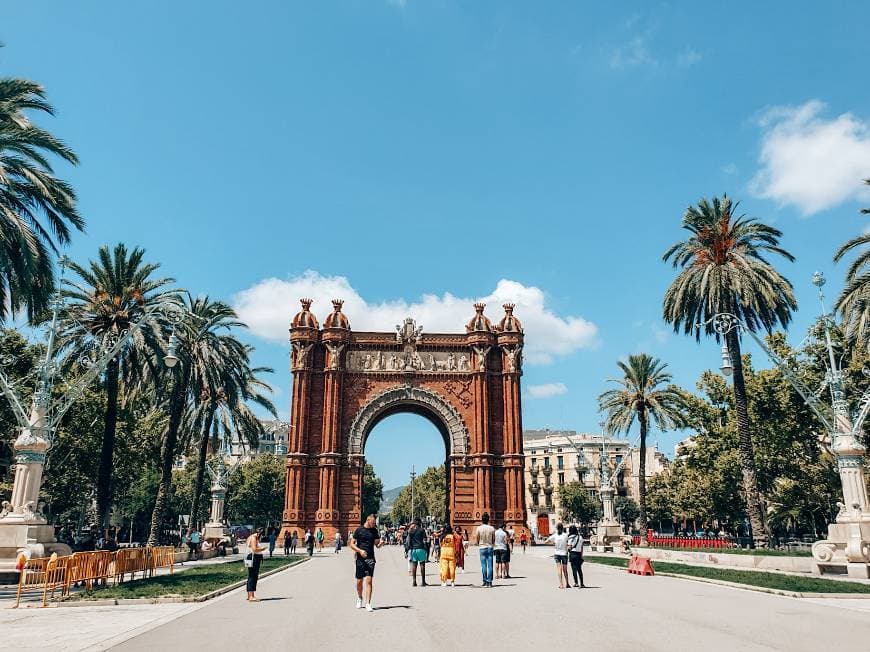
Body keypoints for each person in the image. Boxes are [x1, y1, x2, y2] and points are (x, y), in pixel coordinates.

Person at [350, 514, 383, 612]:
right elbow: (351, 544)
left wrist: (381, 544)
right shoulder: (359, 530)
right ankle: (360, 598)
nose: (374, 525)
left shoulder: (374, 531)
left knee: (369, 580)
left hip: (370, 559)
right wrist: (360, 551)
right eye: (372, 523)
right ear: (368, 520)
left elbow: (377, 544)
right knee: (359, 581)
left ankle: (368, 603)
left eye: (374, 523)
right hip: (360, 558)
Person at [245, 528, 268, 602]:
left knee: (251, 576)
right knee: (253, 576)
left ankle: (250, 595)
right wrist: (262, 549)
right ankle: (251, 596)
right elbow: (254, 549)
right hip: (254, 558)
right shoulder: (253, 538)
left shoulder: (251, 537)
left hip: (252, 557)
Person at [474, 513, 495, 587]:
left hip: (482, 547)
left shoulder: (479, 528)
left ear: (482, 520)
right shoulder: (492, 528)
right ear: (488, 519)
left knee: (483, 566)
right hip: (490, 547)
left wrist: (478, 543)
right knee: (490, 565)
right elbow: (493, 539)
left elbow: (477, 538)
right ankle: (489, 582)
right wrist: (492, 544)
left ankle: (485, 581)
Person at [547, 523, 570, 589]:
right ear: (562, 528)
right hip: (564, 554)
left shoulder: (555, 536)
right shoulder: (565, 535)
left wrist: (553, 543)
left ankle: (561, 584)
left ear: (557, 528)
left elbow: (546, 541)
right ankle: (567, 583)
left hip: (557, 554)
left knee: (559, 569)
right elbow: (568, 543)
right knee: (565, 569)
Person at [407, 518, 429, 587]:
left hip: (413, 549)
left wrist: (410, 548)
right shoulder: (422, 530)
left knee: (414, 565)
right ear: (419, 522)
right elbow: (425, 540)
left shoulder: (411, 531)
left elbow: (409, 541)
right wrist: (426, 548)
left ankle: (414, 581)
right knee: (422, 565)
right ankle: (423, 582)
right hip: (421, 548)